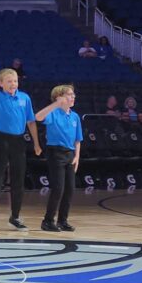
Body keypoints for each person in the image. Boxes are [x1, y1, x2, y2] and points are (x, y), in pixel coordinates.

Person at [0, 65, 41, 232]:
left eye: (15, 81)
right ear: (1, 83)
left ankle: (15, 217)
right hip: (2, 140)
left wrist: (36, 143)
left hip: (19, 142)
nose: (13, 84)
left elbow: (31, 122)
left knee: (18, 180)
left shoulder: (24, 98)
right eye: (9, 81)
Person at [35, 85, 82, 233]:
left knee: (70, 189)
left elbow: (78, 139)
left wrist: (77, 156)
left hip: (70, 153)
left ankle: (63, 220)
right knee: (58, 188)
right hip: (55, 152)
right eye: (69, 94)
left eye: (73, 94)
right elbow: (38, 117)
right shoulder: (53, 113)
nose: (73, 97)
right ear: (59, 98)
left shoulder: (74, 116)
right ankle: (48, 221)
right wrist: (55, 104)